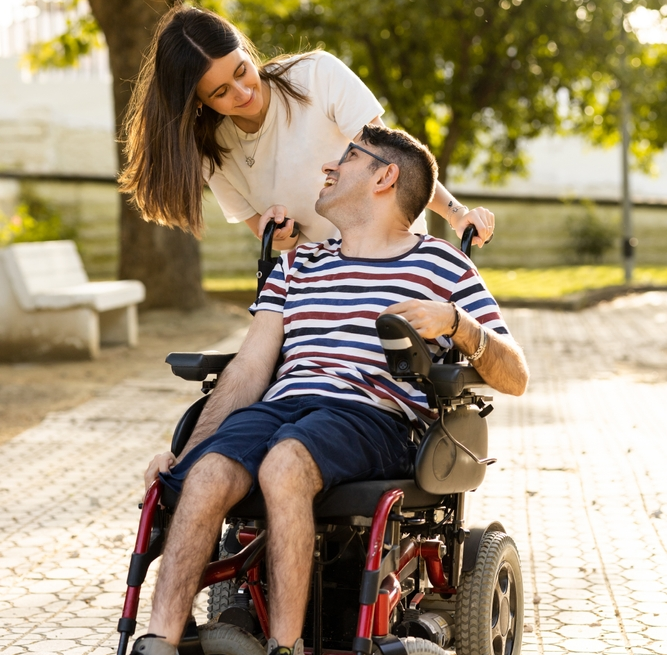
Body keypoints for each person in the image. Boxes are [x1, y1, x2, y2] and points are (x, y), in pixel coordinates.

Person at [131, 124, 528, 655]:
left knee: (285, 463)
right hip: (283, 406)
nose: (328, 167)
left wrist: (457, 322)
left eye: (348, 157)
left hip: (372, 414)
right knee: (206, 475)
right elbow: (249, 370)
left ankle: (285, 647)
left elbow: (516, 375)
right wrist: (182, 454)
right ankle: (159, 643)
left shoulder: (441, 265)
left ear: (385, 177)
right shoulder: (297, 264)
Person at [119, 4, 495, 254]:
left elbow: (395, 163)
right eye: (221, 92)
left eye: (241, 70)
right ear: (198, 102)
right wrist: (281, 233)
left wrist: (457, 213)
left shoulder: (317, 76)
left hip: (393, 256)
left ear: (247, 52)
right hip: (322, 281)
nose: (243, 92)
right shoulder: (213, 149)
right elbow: (277, 241)